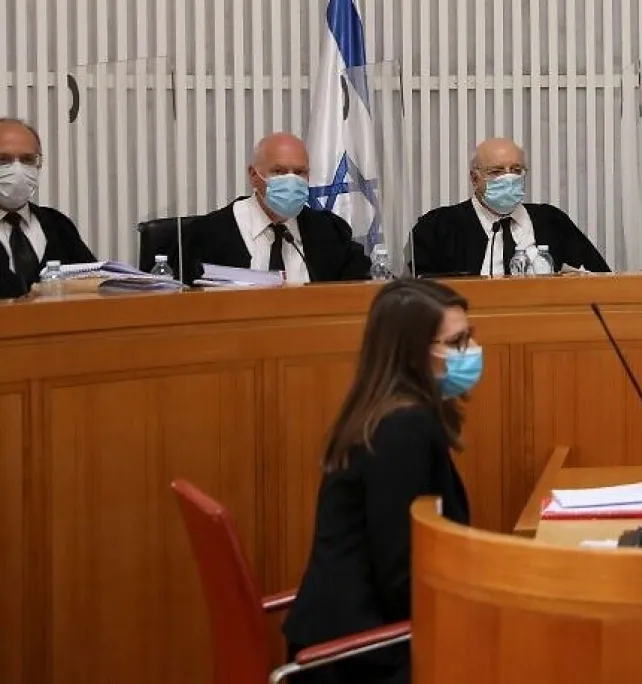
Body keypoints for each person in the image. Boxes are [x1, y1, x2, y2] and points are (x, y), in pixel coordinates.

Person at [282, 279, 476, 684]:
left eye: (469, 337)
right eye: (456, 343)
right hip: (359, 660)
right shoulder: (402, 430)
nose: (470, 353)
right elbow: (402, 577)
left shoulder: (387, 415)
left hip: (360, 641)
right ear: (412, 356)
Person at [187, 132, 371, 283]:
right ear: (253, 175)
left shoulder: (330, 232)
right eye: (279, 171)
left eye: (299, 172)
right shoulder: (207, 234)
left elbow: (363, 288)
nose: (291, 181)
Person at [411, 138, 610, 276]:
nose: (509, 178)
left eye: (516, 170)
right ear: (474, 178)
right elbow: (419, 295)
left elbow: (600, 278)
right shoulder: (438, 226)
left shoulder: (551, 221)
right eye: (496, 171)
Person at [0, 117, 95, 299]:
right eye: (3, 160)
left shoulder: (58, 225)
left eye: (27, 159)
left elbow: (93, 286)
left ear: (39, 164)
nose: (17, 170)